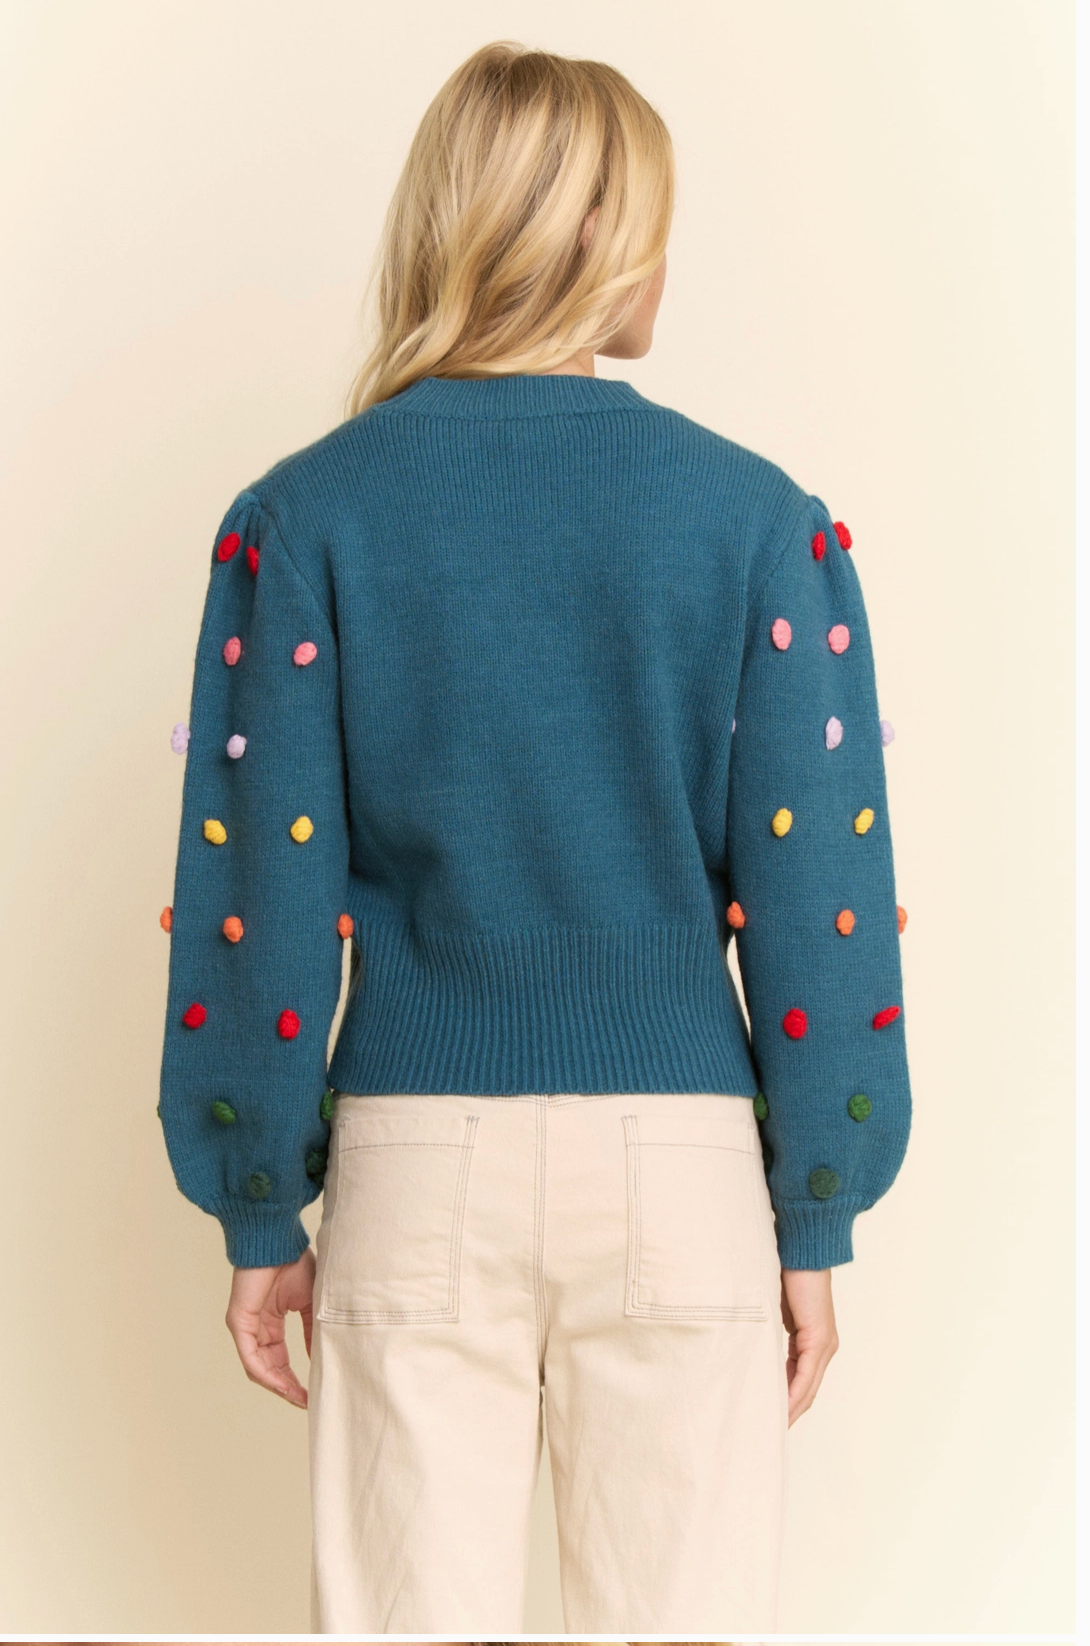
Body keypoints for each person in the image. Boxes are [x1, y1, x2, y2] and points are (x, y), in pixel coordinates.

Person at [158, 39, 911, 1636]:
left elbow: (260, 896)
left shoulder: (303, 519)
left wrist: (258, 1205)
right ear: (590, 234)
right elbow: (817, 899)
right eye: (649, 220)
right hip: (683, 1168)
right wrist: (814, 1208)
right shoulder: (757, 522)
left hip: (415, 1159)